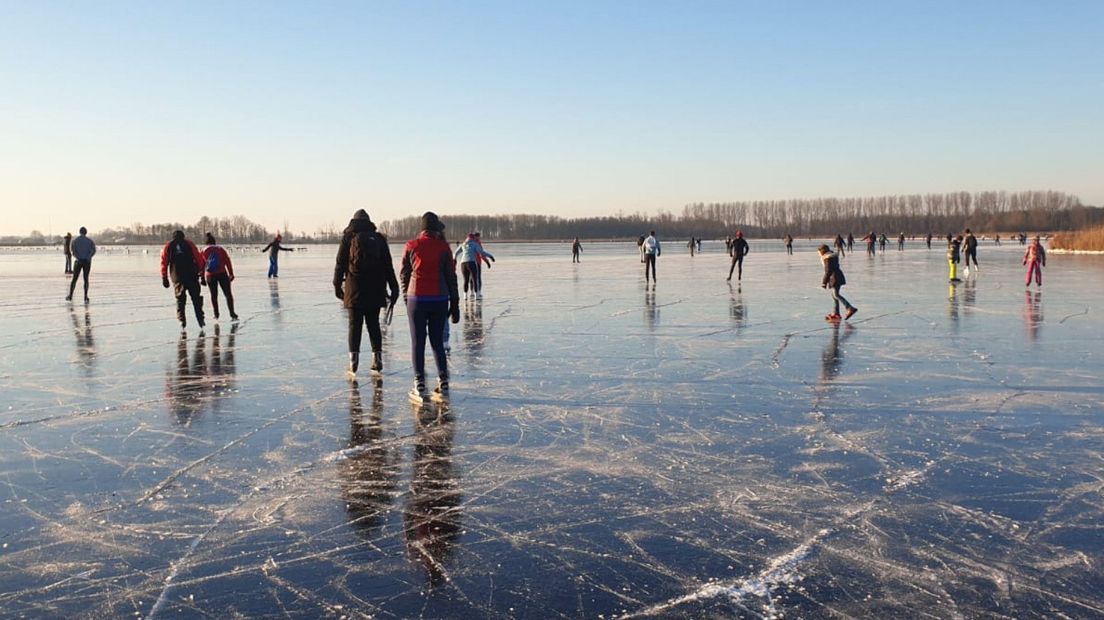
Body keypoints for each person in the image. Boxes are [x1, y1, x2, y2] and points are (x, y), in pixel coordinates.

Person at [400, 212, 460, 403]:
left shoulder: (411, 246)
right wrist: (455, 303)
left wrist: (405, 296)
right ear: (436, 230)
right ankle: (443, 382)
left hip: (416, 299)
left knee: (418, 342)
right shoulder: (444, 248)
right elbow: (451, 277)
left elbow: (404, 273)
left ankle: (419, 385)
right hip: (439, 300)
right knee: (437, 342)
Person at [335, 209, 399, 376]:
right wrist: (394, 287)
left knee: (354, 325)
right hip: (376, 289)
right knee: (373, 324)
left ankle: (353, 362)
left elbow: (340, 263)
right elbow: (388, 265)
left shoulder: (348, 238)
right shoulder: (378, 239)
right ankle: (377, 359)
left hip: (354, 288)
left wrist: (337, 285)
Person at [160, 230, 206, 329]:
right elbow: (198, 258)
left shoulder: (169, 246)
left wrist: (164, 277)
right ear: (183, 236)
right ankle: (200, 318)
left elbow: (164, 262)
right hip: (191, 275)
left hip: (177, 276)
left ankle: (182, 320)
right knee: (196, 298)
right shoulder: (189, 244)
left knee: (180, 299)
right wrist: (202, 273)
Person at [202, 233, 238, 321]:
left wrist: (202, 277)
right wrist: (231, 273)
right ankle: (232, 313)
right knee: (228, 294)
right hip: (222, 273)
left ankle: (216, 314)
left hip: (210, 275)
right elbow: (227, 261)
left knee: (213, 295)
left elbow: (201, 264)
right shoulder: (220, 249)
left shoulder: (204, 250)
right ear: (215, 242)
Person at [818, 244, 857, 322]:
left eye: (819, 252)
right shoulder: (831, 256)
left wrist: (824, 282)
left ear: (822, 251)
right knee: (834, 295)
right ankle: (836, 313)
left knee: (836, 295)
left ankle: (850, 308)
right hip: (837, 276)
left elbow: (828, 271)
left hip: (834, 277)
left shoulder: (827, 258)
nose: (818, 254)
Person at [454, 232, 495, 299]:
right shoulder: (475, 244)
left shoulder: (463, 244)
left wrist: (454, 260)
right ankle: (477, 295)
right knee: (475, 279)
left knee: (466, 280)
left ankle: (465, 296)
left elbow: (455, 253)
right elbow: (481, 252)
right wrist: (490, 256)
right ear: (473, 238)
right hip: (472, 263)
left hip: (463, 264)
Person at [66, 226, 97, 303]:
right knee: (86, 279)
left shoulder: (75, 241)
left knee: (74, 279)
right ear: (86, 232)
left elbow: (72, 250)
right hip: (87, 262)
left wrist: (78, 257)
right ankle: (85, 296)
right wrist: (88, 257)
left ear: (80, 232)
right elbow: (93, 250)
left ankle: (70, 295)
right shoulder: (90, 241)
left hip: (78, 261)